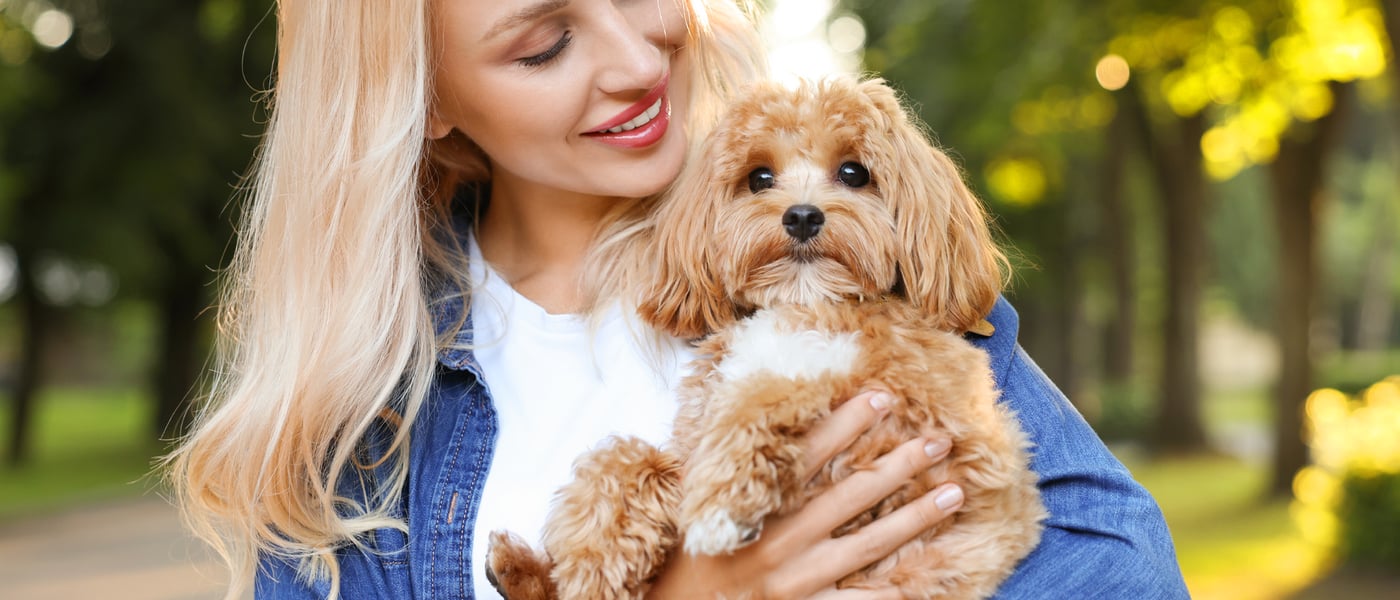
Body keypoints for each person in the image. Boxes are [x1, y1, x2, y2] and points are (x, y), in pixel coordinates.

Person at [167, 0, 1190, 598]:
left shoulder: (869, 277)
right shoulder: (367, 428)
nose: (636, 55)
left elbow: (1126, 577)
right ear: (425, 98)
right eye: (544, 43)